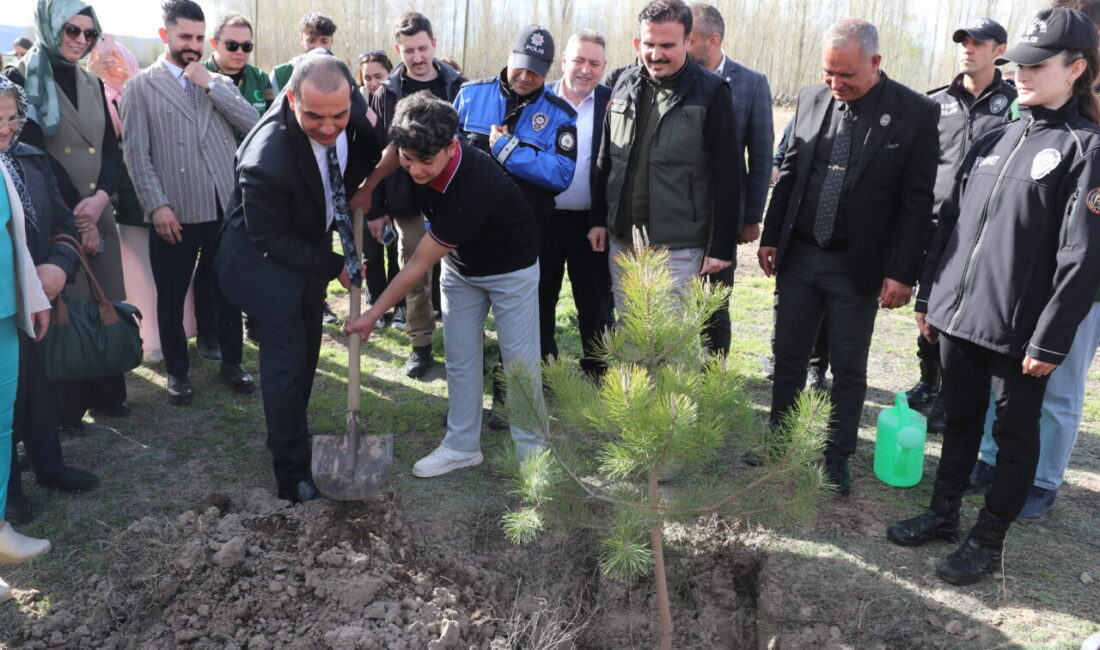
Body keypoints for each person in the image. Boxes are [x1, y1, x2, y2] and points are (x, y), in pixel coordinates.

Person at [888, 7, 1100, 585]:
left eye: (1038, 64)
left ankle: (988, 540)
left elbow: (1082, 258)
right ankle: (943, 514)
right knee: (958, 420)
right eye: (1019, 63)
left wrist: (1051, 340)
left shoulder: (1086, 149)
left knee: (1013, 438)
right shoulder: (995, 137)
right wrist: (932, 299)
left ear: (1076, 68)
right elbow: (952, 229)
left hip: (1020, 332)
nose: (1022, 73)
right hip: (961, 316)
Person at [757, 18, 939, 496]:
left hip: (856, 265)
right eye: (828, 74)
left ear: (876, 63)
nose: (836, 85)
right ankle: (779, 442)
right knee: (789, 355)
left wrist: (903, 273)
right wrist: (772, 235)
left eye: (847, 76)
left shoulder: (914, 112)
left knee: (849, 366)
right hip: (800, 255)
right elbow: (791, 172)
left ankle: (835, 458)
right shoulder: (812, 99)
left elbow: (917, 204)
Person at [346, 91, 545, 478]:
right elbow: (393, 151)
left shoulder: (474, 185)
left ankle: (533, 455)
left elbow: (418, 263)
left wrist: (373, 314)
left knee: (520, 363)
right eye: (409, 160)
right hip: (461, 267)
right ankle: (461, 446)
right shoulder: (411, 150)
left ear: (451, 146)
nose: (415, 170)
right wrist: (371, 186)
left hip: (511, 268)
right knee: (460, 358)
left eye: (426, 162)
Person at [216, 54, 382, 502]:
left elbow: (380, 146)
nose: (329, 128)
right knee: (287, 364)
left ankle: (291, 433)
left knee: (309, 348)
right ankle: (291, 474)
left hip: (304, 251)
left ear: (352, 99)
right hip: (263, 265)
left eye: (338, 116)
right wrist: (338, 267)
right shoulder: (265, 160)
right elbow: (269, 237)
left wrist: (371, 191)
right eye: (314, 116)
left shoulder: (354, 115)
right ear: (291, 99)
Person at [968, 0, 1100, 522]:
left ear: (1079, 63)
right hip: (1022, 280)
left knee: (1059, 387)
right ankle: (990, 457)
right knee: (1001, 378)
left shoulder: (1086, 132)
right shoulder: (1040, 108)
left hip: (1081, 286)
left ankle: (1043, 480)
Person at [122, 0, 259, 403]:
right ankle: (177, 373)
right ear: (165, 35)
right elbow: (136, 154)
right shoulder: (139, 87)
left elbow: (253, 125)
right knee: (171, 291)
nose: (193, 45)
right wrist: (157, 205)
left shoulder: (216, 81)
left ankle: (233, 362)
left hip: (223, 206)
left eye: (199, 38)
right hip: (175, 211)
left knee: (229, 288)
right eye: (185, 36)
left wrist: (211, 83)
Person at [3, 0, 129, 431]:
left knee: (105, 299)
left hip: (96, 211)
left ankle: (107, 392)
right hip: (55, 219)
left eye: (88, 33)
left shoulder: (91, 82)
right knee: (64, 307)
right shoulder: (19, 79)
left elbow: (112, 150)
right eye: (69, 30)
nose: (79, 40)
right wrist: (80, 217)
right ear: (48, 26)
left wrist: (101, 201)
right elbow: (32, 155)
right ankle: (67, 408)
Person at [453, 24, 577, 424]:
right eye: (520, 67)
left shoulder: (559, 116)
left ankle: (510, 405)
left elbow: (560, 174)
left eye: (536, 71)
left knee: (520, 331)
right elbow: (444, 156)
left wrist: (508, 151)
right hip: (467, 237)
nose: (525, 77)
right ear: (509, 57)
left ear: (548, 69)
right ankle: (465, 409)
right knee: (464, 334)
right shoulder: (470, 97)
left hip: (524, 238)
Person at [590, 0, 740, 316]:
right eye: (649, 44)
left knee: (672, 347)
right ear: (637, 43)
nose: (656, 55)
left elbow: (728, 176)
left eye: (667, 45)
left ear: (687, 41)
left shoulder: (712, 93)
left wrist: (720, 246)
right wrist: (598, 221)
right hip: (623, 243)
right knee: (630, 335)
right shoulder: (621, 84)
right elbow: (606, 159)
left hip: (678, 249)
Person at [908, 18, 1015, 434]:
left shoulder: (1012, 104)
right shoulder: (935, 103)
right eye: (963, 41)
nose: (968, 48)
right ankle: (928, 381)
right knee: (927, 306)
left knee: (961, 314)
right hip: (933, 222)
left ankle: (951, 397)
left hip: (980, 227)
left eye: (978, 42)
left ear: (999, 49)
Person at [0, 75, 94, 526]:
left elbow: (62, 221)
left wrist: (58, 266)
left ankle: (48, 466)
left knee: (36, 386)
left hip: (36, 297)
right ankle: (7, 489)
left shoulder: (31, 159)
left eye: (11, 118)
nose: (4, 129)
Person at [369, 12, 466, 378]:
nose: (417, 56)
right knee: (414, 273)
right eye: (409, 50)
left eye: (422, 47)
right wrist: (377, 207)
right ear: (399, 49)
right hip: (406, 202)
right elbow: (377, 152)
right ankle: (420, 345)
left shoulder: (459, 86)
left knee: (460, 275)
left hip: (452, 197)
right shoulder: (386, 93)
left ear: (434, 44)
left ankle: (462, 343)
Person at [687, 2, 773, 356]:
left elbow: (762, 154)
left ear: (712, 40)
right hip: (676, 212)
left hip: (721, 219)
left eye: (688, 38)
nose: (680, 45)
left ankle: (712, 382)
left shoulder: (751, 84)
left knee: (714, 306)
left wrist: (751, 217)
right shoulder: (679, 77)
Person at [0, 78, 56, 601]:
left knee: (1, 425)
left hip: (7, 312)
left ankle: (0, 534)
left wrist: (35, 297)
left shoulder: (8, 165)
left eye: (11, 119)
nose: (5, 131)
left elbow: (17, 240)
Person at [88, 38, 173, 363]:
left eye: (117, 59)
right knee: (137, 269)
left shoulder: (145, 89)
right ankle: (149, 338)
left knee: (167, 268)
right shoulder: (97, 96)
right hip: (123, 194)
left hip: (159, 190)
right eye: (104, 60)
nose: (112, 66)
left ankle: (176, 330)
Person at [544, 30, 612, 377]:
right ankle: (545, 366)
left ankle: (597, 367)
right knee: (541, 297)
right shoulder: (539, 98)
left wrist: (601, 218)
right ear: (564, 61)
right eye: (579, 60)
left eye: (594, 63)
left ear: (603, 67)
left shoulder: (612, 103)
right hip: (543, 220)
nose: (586, 69)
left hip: (591, 223)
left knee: (595, 300)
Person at [205, 13, 273, 120]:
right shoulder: (197, 76)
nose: (240, 52)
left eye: (246, 46)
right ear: (214, 44)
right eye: (232, 45)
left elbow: (272, 122)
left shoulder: (261, 79)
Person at [270, 12, 337, 94]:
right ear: (301, 39)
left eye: (324, 41)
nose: (318, 47)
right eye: (311, 40)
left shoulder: (341, 74)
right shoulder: (280, 75)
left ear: (332, 41)